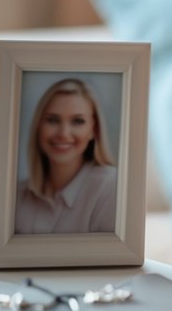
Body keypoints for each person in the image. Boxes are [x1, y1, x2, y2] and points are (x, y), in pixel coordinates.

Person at [15, 78, 118, 234]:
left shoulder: (111, 187)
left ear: (94, 130)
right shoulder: (17, 195)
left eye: (77, 121)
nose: (63, 134)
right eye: (52, 120)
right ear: (38, 127)